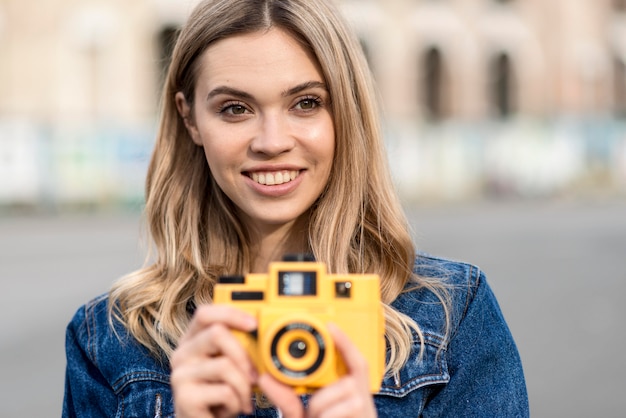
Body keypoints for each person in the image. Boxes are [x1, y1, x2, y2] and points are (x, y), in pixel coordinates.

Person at [63, 0, 529, 416]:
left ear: (345, 110)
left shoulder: (449, 314)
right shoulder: (113, 338)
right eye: (234, 109)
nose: (272, 142)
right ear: (190, 118)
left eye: (306, 103)